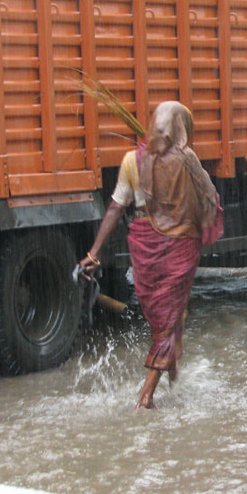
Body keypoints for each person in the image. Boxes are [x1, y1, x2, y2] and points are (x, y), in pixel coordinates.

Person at [79, 101, 219, 410]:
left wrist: (94, 252)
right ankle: (146, 398)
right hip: (179, 246)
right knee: (169, 321)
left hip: (144, 247)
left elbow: (117, 206)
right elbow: (208, 197)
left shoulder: (132, 160)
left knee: (167, 317)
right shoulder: (188, 159)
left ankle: (171, 372)